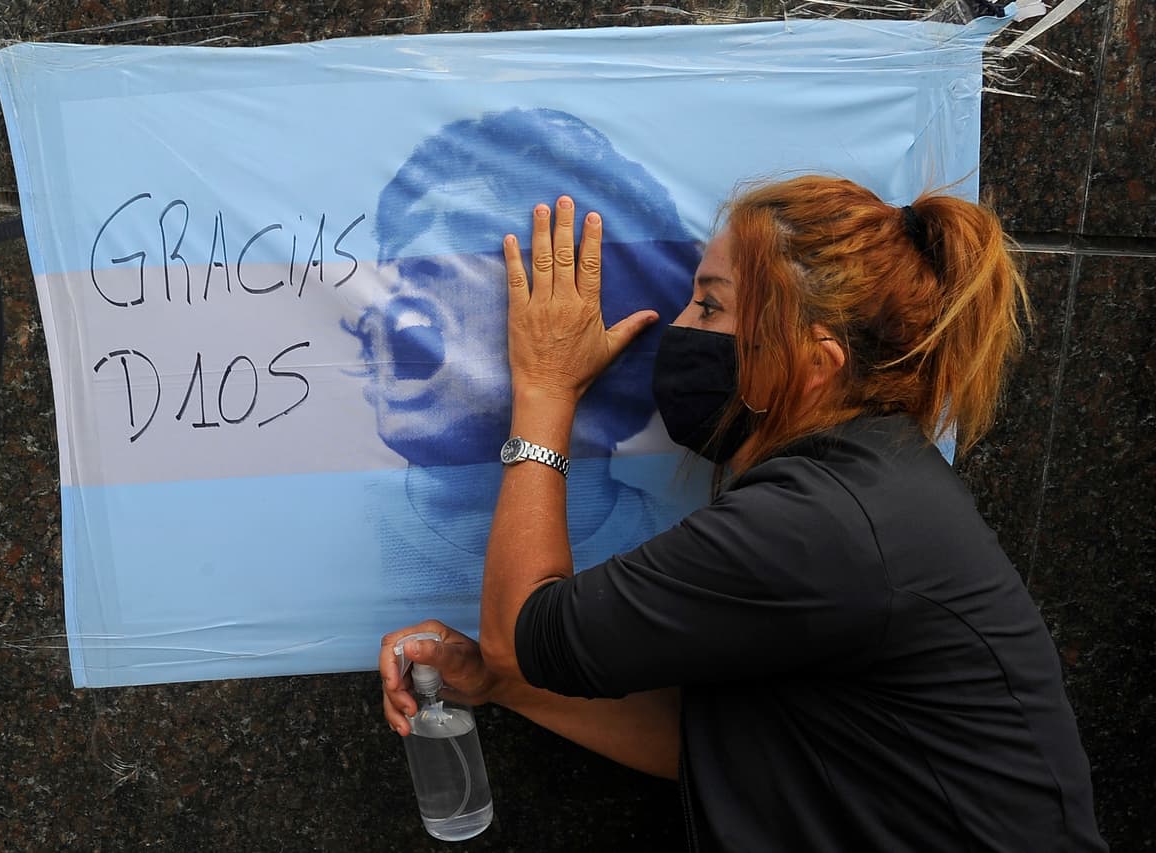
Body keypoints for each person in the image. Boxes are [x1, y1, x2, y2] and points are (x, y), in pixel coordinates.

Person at [379, 176, 1107, 851]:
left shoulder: (820, 522)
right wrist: (503, 684)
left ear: (815, 364)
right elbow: (729, 741)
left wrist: (543, 388)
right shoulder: (859, 478)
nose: (680, 325)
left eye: (711, 305)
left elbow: (520, 634)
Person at [344, 108, 700, 616]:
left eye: (470, 243)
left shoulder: (690, 567)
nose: (409, 264)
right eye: (397, 251)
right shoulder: (302, 545)